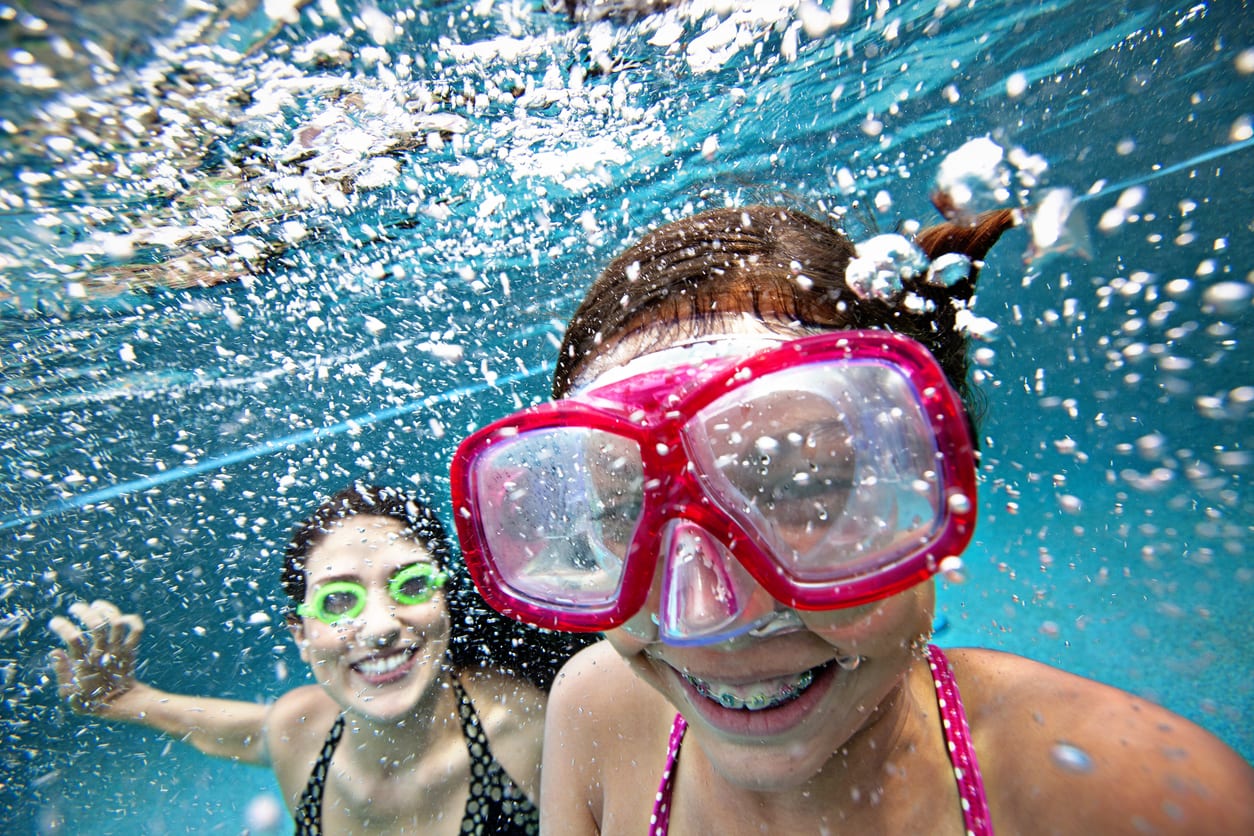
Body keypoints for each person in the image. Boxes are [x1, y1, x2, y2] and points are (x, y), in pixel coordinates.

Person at [447, 203, 1254, 834]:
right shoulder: (598, 711)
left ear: (938, 486)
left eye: (802, 485)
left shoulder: (1128, 794)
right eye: (626, 508)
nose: (702, 619)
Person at [50, 483, 579, 835]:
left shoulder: (530, 730)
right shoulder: (297, 732)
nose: (379, 627)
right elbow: (241, 731)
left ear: (447, 604)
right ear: (301, 635)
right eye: (338, 599)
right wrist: (126, 699)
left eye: (412, 585)